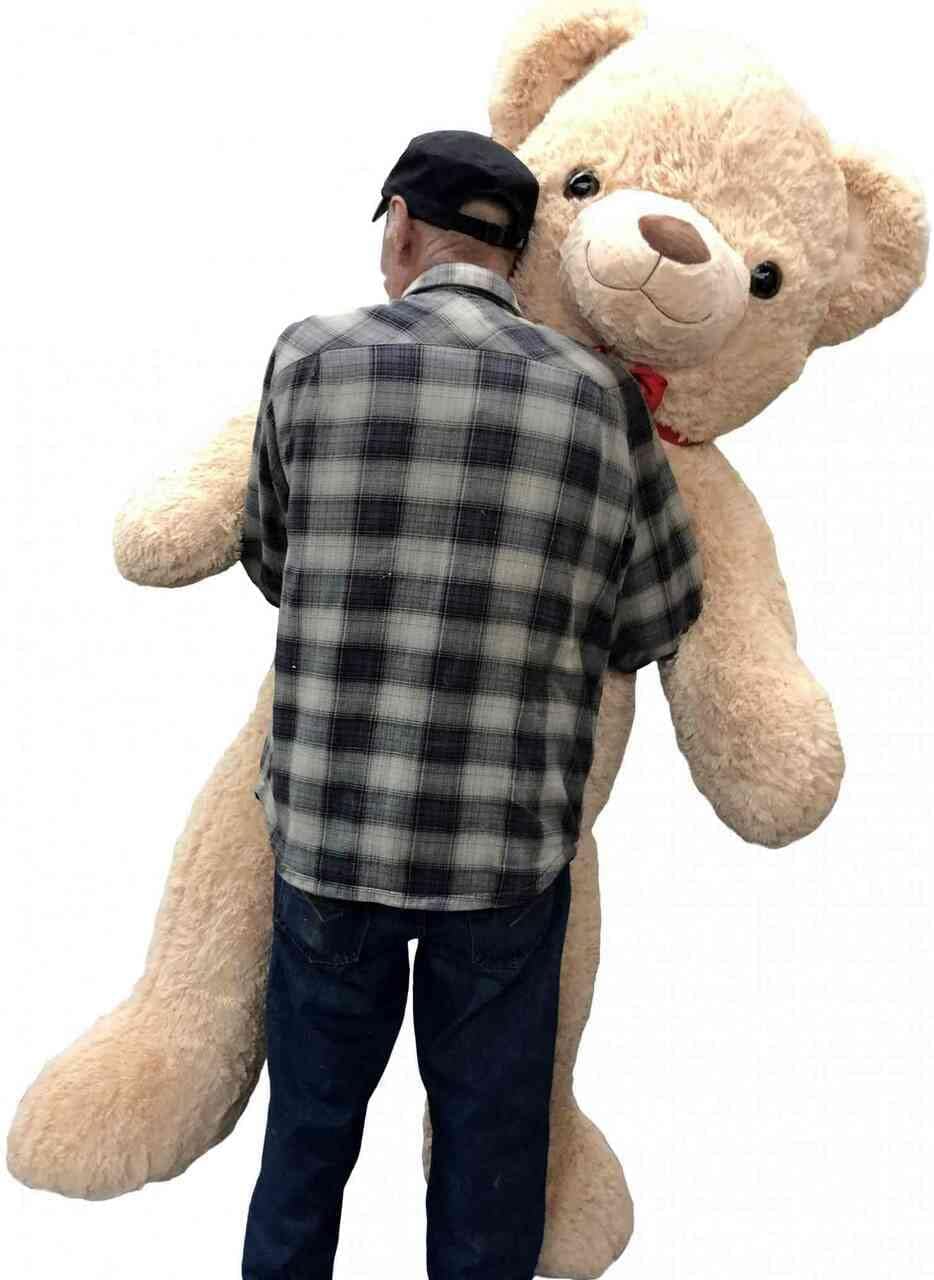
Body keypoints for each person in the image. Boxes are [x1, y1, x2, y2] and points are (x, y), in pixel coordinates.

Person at [238, 129, 703, 1280]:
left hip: (331, 834)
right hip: (505, 852)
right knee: (490, 1162)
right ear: (518, 251)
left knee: (304, 1144)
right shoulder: (599, 398)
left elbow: (272, 558)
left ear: (401, 223)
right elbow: (656, 613)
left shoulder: (308, 358)